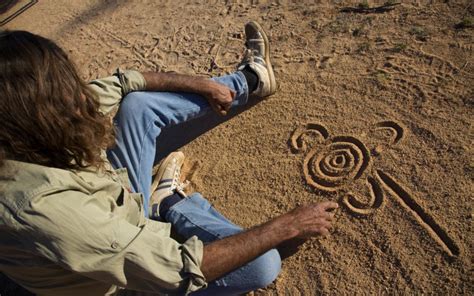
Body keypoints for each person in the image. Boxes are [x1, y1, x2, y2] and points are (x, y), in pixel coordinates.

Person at [0, 22, 338, 296]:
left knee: (139, 107)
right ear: (36, 116)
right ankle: (171, 203)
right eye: (65, 92)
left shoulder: (25, 129)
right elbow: (176, 269)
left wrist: (203, 84)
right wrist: (286, 225)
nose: (79, 96)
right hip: (123, 285)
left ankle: (253, 79)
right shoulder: (41, 209)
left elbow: (123, 83)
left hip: (118, 204)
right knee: (262, 263)